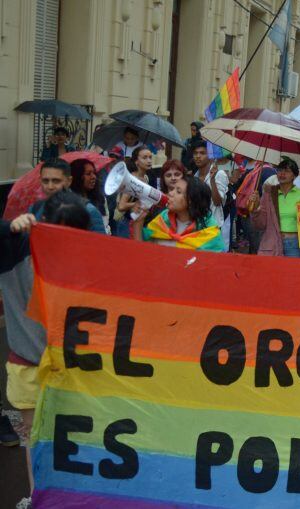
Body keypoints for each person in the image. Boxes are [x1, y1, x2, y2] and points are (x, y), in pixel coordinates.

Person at [1, 191, 93, 509]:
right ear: (44, 226)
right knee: (34, 435)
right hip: (28, 364)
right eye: (60, 231)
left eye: (75, 233)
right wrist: (9, 229)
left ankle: (69, 496)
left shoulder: (89, 262)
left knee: (75, 435)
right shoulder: (16, 250)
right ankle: (39, 496)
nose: (68, 241)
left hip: (74, 369)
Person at [133, 174, 224, 252]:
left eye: (178, 191)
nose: (170, 193)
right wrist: (138, 222)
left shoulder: (210, 233)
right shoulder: (162, 221)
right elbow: (142, 254)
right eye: (173, 189)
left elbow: (215, 266)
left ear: (190, 200)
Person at [249, 157, 300, 258]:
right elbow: (260, 224)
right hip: (272, 242)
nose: (282, 174)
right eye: (280, 170)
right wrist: (255, 209)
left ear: (294, 176)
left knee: (293, 274)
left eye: (287, 171)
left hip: (294, 244)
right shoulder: (269, 193)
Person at [29, 158, 106, 234]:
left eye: (56, 181)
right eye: (45, 181)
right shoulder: (35, 208)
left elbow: (100, 244)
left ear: (69, 181)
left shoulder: (89, 210)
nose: (50, 186)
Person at [191, 140, 230, 250]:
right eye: (195, 153)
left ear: (210, 156)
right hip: (197, 226)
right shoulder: (194, 177)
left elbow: (218, 202)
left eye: (202, 153)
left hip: (214, 226)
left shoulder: (219, 174)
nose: (198, 156)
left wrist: (212, 180)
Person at [114, 145, 154, 237]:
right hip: (125, 223)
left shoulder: (146, 178)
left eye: (150, 157)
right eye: (145, 158)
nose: (149, 161)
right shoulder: (131, 180)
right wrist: (136, 204)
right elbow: (121, 206)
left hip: (137, 221)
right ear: (136, 162)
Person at [69, 159, 110, 234]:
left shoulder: (101, 199)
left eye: (94, 173)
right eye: (88, 174)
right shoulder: (69, 203)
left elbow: (106, 225)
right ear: (77, 176)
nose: (93, 177)